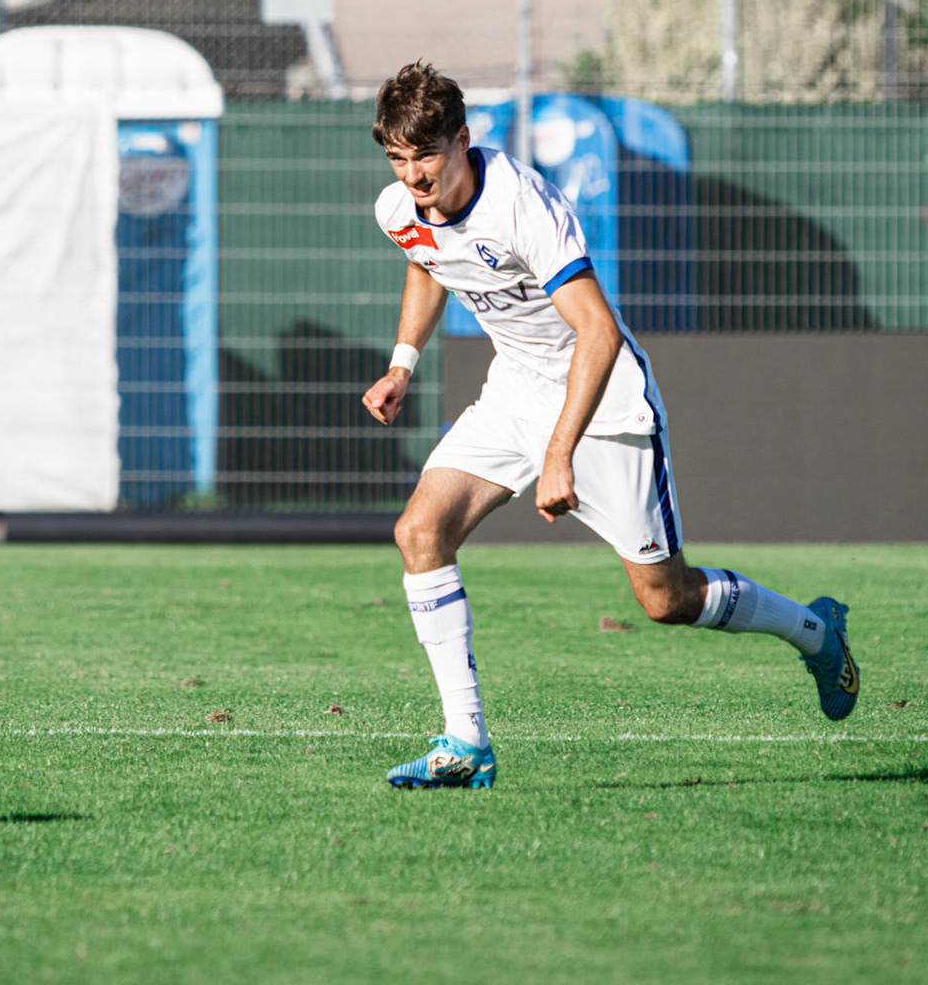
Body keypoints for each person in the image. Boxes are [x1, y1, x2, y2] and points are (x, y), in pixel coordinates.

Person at [361, 62, 859, 789]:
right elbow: (424, 260)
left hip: (603, 399)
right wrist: (402, 364)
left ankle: (814, 631)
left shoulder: (523, 205)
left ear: (463, 140)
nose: (415, 176)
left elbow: (599, 333)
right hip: (514, 394)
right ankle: (466, 740)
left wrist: (559, 453)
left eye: (427, 155)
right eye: (399, 160)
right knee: (418, 532)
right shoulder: (400, 206)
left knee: (667, 599)